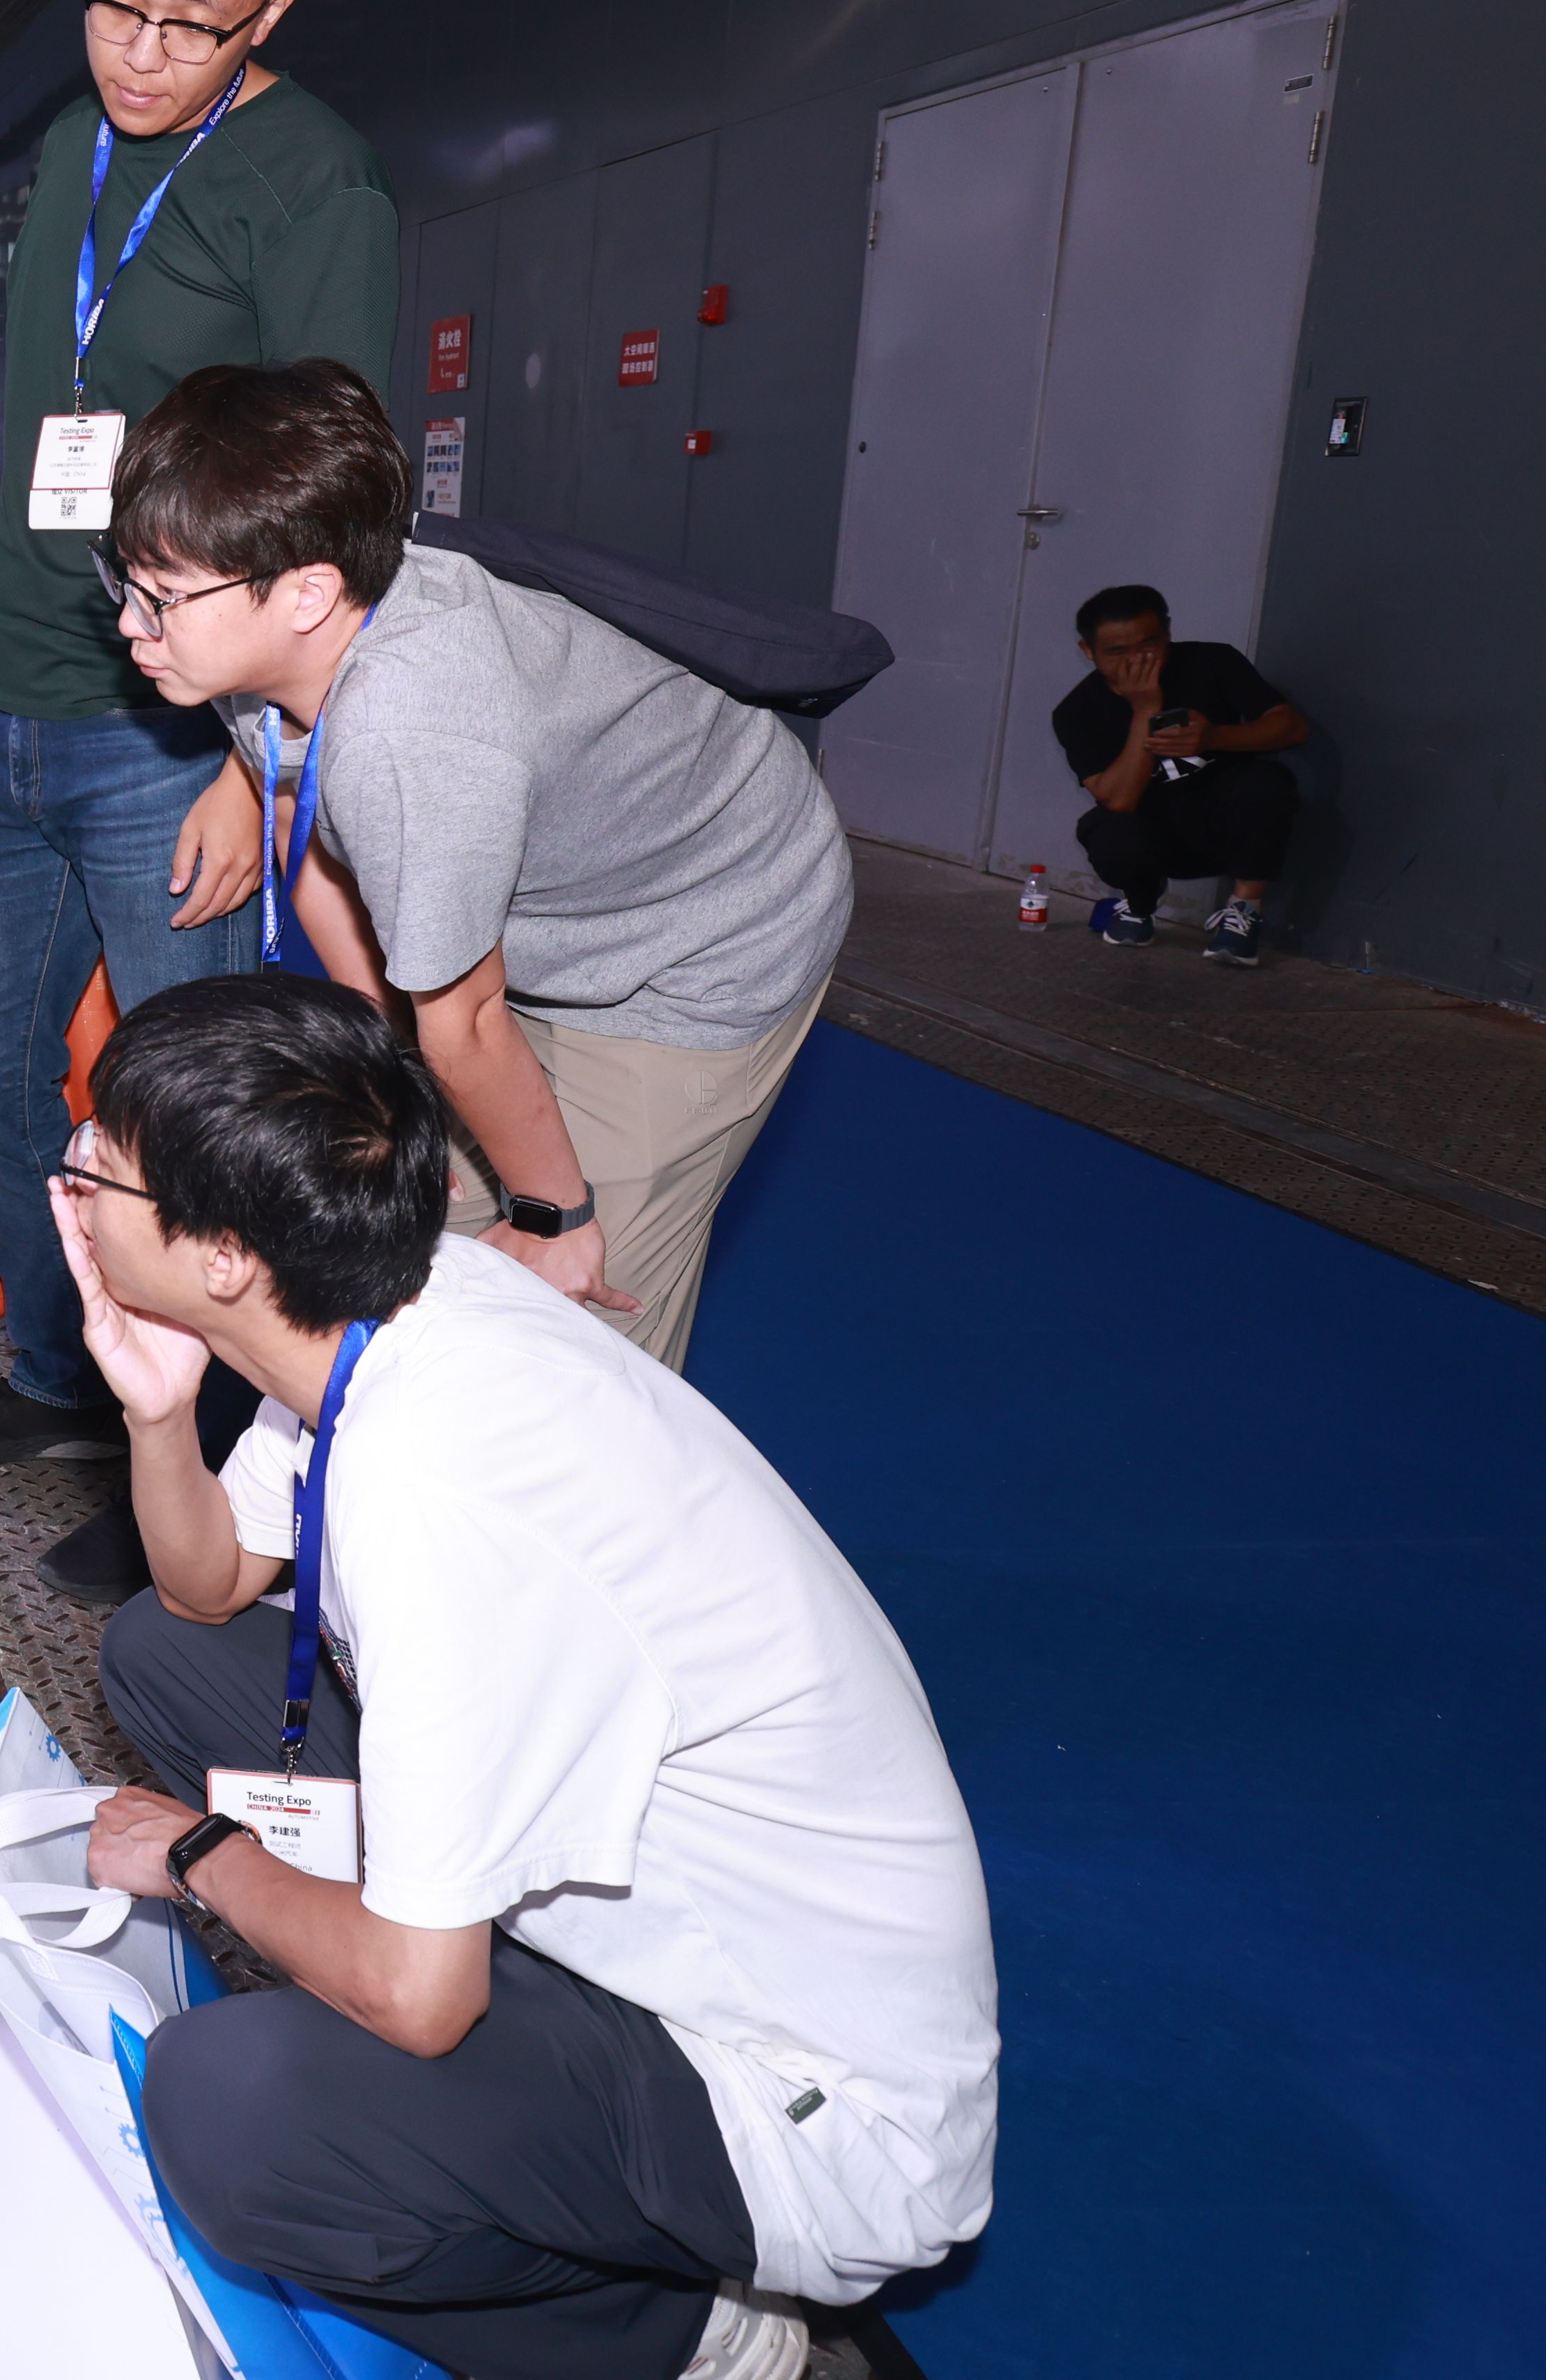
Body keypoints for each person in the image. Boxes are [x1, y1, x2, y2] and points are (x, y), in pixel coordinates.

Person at [55, 973, 994, 2380]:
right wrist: (159, 1404)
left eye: (103, 1165)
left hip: (797, 2096)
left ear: (228, 1252)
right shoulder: (398, 1285)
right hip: (648, 1911)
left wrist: (204, 1856)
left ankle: (702, 2332)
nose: (72, 1179)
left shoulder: (435, 1499)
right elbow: (201, 1586)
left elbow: (425, 1995)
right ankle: (486, 2058)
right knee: (165, 1650)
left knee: (236, 2113)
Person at [0, 0, 400, 1613]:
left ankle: (189, 1468)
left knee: (188, 1137)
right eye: (115, 2)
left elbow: (343, 512)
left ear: (271, 14)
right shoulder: (75, 146)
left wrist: (257, 762)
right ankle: (63, 1386)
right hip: (13, 702)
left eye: (192, 24)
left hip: (176, 738)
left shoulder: (314, 183)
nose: (141, 53)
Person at [111, 358, 846, 1377]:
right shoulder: (261, 650)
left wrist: (554, 1211)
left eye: (161, 598)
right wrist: (395, 1073)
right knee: (424, 1221)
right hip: (540, 892)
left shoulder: (416, 727)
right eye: (127, 585)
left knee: (572, 1329)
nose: (129, 628)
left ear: (310, 594)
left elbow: (466, 1017)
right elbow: (311, 825)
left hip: (702, 924)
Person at [1049, 581, 1309, 965]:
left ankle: (1244, 911)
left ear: (1169, 631)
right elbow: (1117, 798)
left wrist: (1216, 736)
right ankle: (1139, 905)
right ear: (1089, 651)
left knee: (1268, 781)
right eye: (1118, 652)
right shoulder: (1076, 711)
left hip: (1229, 829)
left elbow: (1291, 727)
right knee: (1105, 829)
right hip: (1154, 837)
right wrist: (1145, 708)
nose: (1137, 660)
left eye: (1149, 645)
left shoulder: (1213, 662)